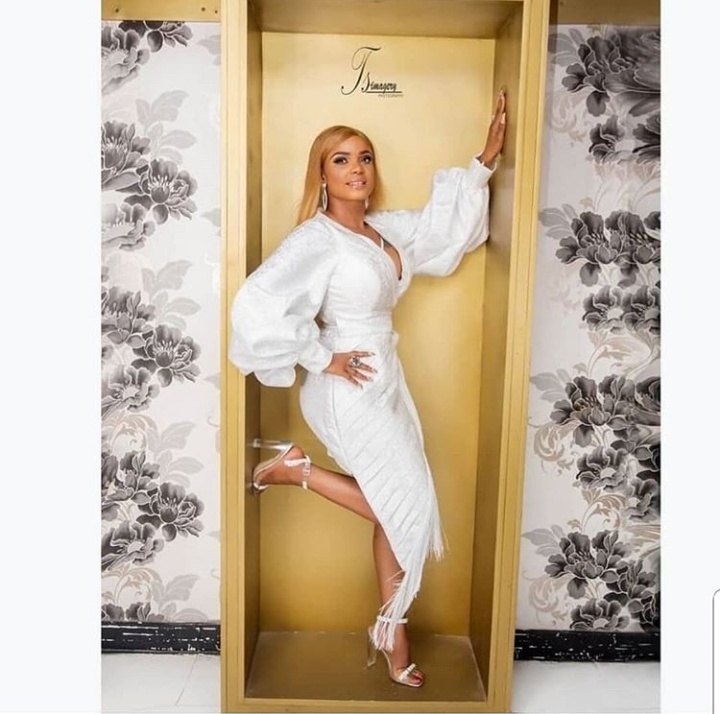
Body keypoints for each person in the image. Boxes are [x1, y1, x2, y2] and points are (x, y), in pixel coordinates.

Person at [229, 89, 507, 688]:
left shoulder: (383, 231)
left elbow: (440, 232)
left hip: (387, 381)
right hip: (346, 386)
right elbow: (256, 304)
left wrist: (483, 162)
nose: (356, 169)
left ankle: (391, 631)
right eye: (341, 160)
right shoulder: (316, 238)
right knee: (400, 505)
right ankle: (292, 469)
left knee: (396, 505)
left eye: (365, 157)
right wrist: (319, 355)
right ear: (321, 174)